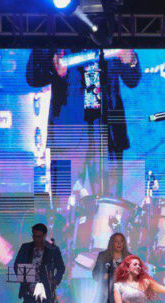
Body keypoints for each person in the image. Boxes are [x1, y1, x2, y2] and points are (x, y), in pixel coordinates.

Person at [26, 48, 141, 196]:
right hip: (67, 135)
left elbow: (132, 79)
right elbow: (33, 76)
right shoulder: (55, 28)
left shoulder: (113, 30)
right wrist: (53, 69)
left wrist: (131, 60)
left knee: (110, 210)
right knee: (63, 209)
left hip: (108, 135)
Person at [14, 223, 66, 303]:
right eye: (34, 236)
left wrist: (55, 280)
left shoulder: (53, 249)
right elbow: (17, 265)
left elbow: (61, 268)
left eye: (39, 236)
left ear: (44, 235)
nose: (36, 239)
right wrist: (24, 277)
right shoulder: (25, 247)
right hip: (29, 287)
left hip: (46, 288)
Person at [92, 232, 129, 303]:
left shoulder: (129, 257)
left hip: (123, 294)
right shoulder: (103, 256)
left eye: (121, 241)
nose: (119, 244)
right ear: (111, 243)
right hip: (105, 294)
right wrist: (105, 275)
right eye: (116, 241)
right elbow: (95, 274)